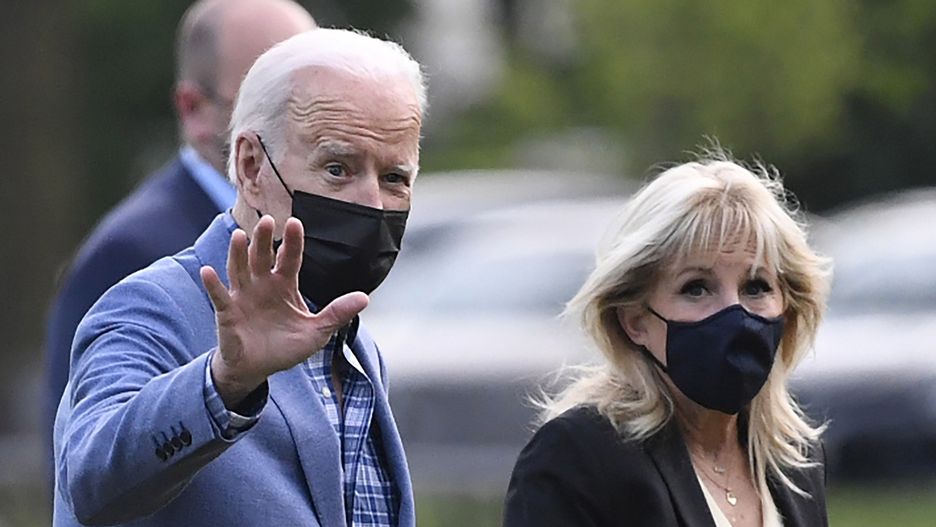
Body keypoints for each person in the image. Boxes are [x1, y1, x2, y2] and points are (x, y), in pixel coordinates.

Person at [53, 28, 426, 527]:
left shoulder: (355, 348)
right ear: (251, 167)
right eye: (337, 168)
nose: (373, 204)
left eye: (394, 178)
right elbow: (90, 478)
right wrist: (223, 383)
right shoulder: (152, 306)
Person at [43, 0, 316, 466]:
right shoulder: (132, 251)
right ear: (194, 109)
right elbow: (84, 464)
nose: (304, 126)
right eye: (269, 104)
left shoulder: (310, 234)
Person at [503, 152, 832, 527]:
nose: (735, 313)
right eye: (696, 288)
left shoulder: (796, 461)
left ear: (788, 307)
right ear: (634, 320)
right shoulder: (578, 459)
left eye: (756, 286)